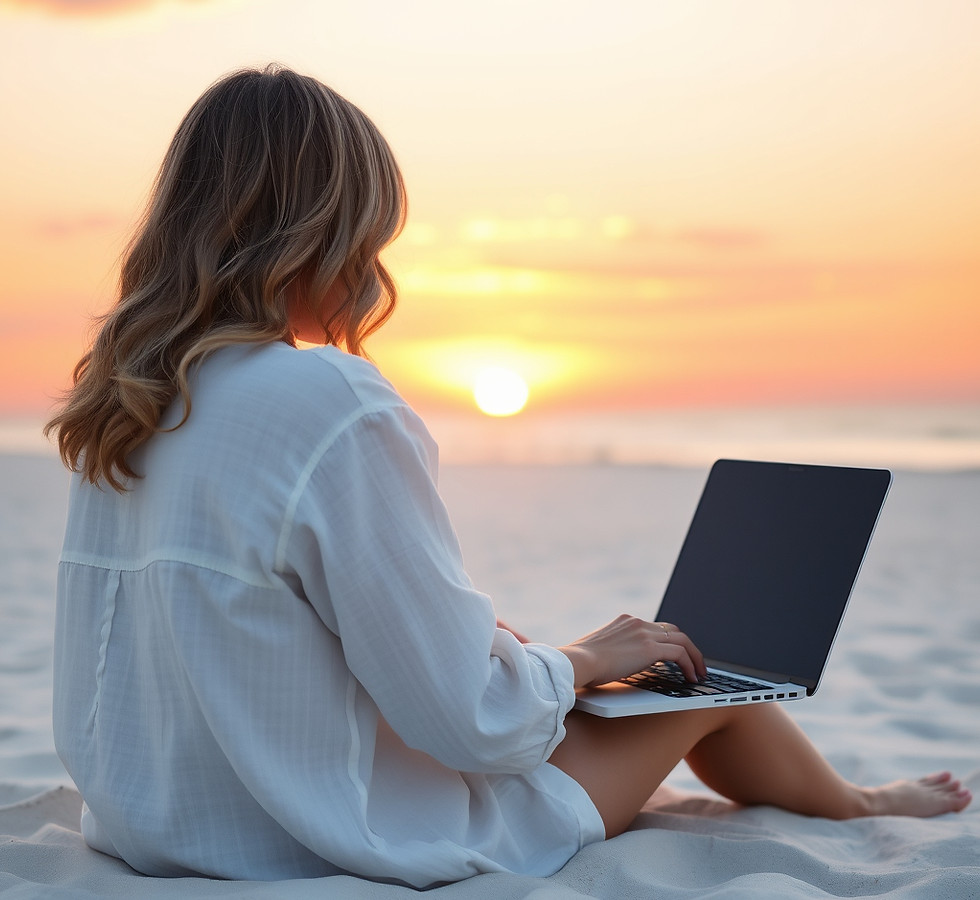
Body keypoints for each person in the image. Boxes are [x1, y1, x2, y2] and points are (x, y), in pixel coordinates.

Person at [45, 65, 971, 889]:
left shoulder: (128, 402)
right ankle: (853, 807)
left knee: (613, 662)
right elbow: (469, 725)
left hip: (159, 823)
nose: (374, 267)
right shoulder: (330, 400)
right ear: (324, 231)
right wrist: (579, 662)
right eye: (370, 234)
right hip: (320, 833)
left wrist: (509, 651)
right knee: (700, 690)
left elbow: (240, 633)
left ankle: (837, 786)